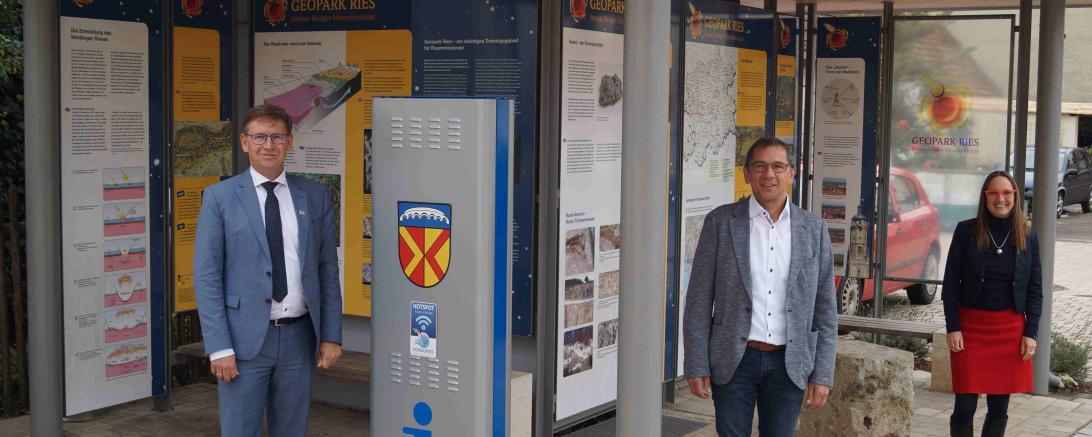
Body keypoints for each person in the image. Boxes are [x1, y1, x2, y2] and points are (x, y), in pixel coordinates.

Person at [194, 104, 343, 436]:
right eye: (259, 136)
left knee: (291, 430)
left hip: (299, 338)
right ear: (245, 143)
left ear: (289, 142)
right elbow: (207, 276)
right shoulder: (219, 198)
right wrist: (219, 347)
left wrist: (331, 335)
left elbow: (326, 268)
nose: (268, 145)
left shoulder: (315, 196)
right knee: (239, 430)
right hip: (242, 341)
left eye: (277, 136)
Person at [683, 137, 837, 437]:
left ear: (792, 173)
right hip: (734, 361)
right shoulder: (721, 222)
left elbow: (825, 309)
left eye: (778, 166)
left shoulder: (813, 229)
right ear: (747, 174)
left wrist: (823, 372)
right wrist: (696, 363)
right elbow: (699, 300)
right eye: (760, 166)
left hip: (789, 363)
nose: (769, 175)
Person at [943, 170, 1042, 437]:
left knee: (999, 407)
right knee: (964, 405)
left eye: (1007, 192)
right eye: (994, 193)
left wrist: (1030, 332)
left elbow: (1035, 289)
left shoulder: (1027, 235)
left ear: (1015, 196)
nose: (1001, 198)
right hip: (970, 328)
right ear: (985, 197)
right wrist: (953, 327)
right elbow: (951, 284)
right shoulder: (966, 231)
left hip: (1009, 330)